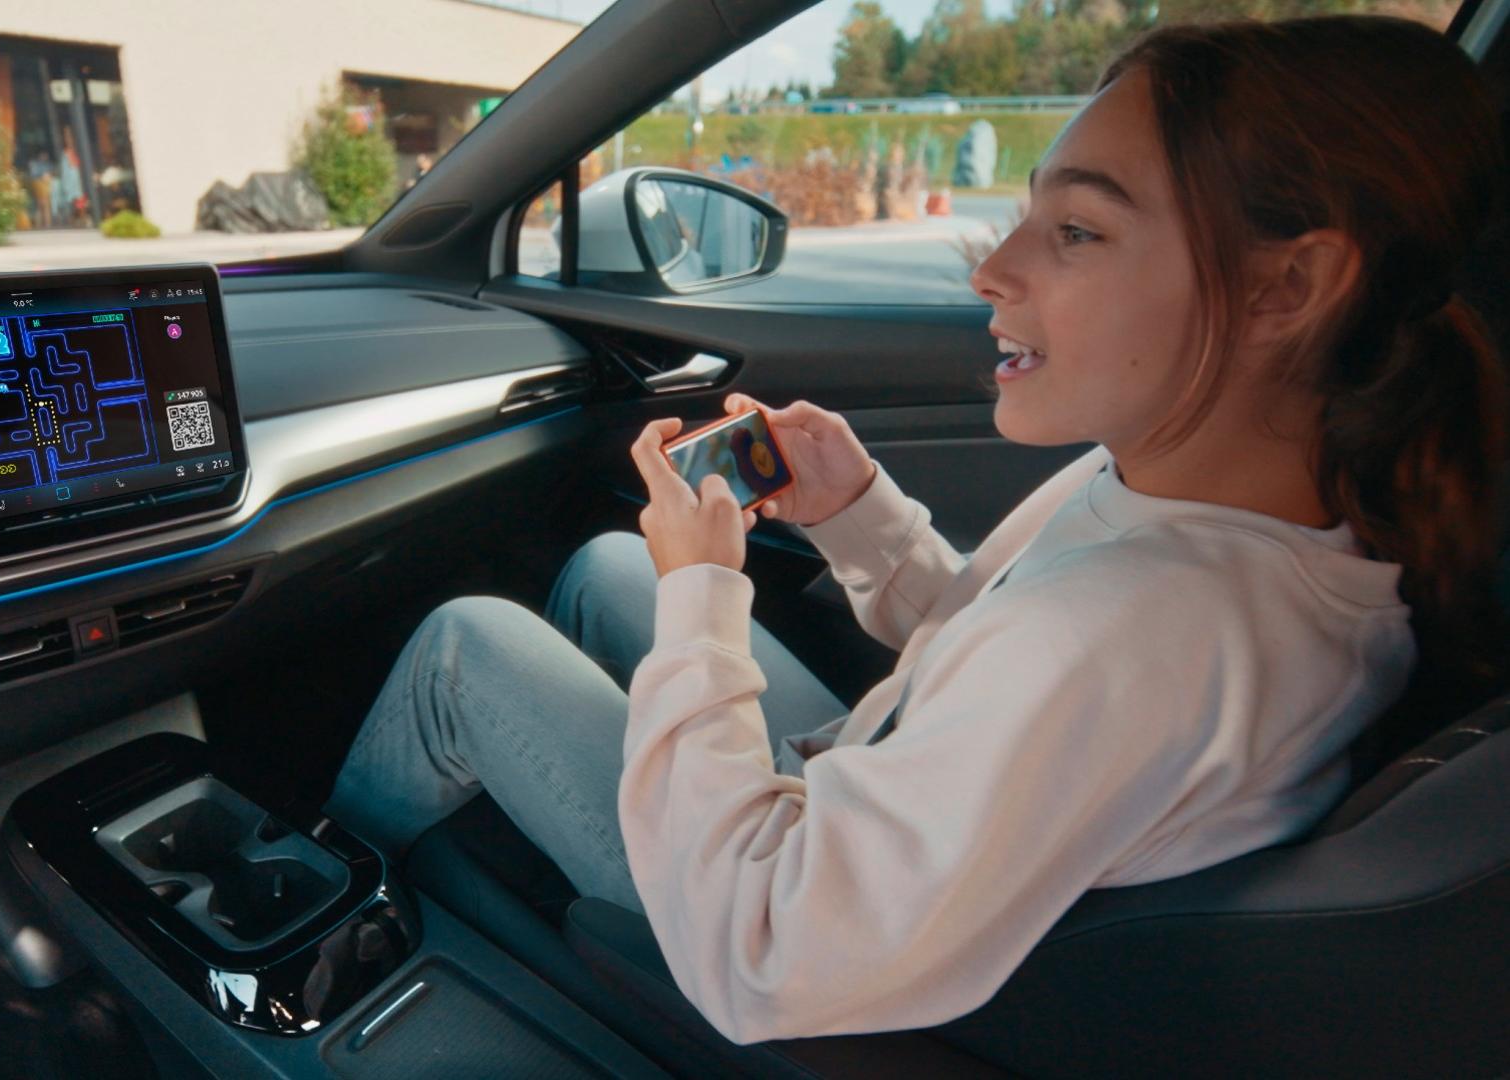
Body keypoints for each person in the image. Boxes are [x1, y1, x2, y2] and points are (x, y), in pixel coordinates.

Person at [325, 16, 1507, 1044]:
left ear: (1286, 289)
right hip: (897, 816)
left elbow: (763, 954)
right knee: (609, 563)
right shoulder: (1231, 515)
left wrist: (707, 598)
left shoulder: (1129, 637)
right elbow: (992, 667)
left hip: (769, 911)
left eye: (1079, 232)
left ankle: (318, 900)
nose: (992, 269)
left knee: (466, 647)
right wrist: (862, 520)